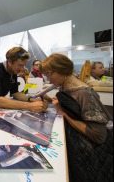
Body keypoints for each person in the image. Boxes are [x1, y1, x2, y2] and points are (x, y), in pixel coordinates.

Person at [40, 54, 113, 182]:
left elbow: (98, 136)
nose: (48, 79)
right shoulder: (64, 86)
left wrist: (64, 113)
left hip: (89, 158)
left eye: (49, 74)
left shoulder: (84, 93)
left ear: (61, 70)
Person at [0, 46, 48, 113]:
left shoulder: (13, 72)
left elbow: (15, 93)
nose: (22, 68)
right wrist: (30, 105)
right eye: (20, 65)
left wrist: (32, 99)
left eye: (24, 65)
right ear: (9, 62)